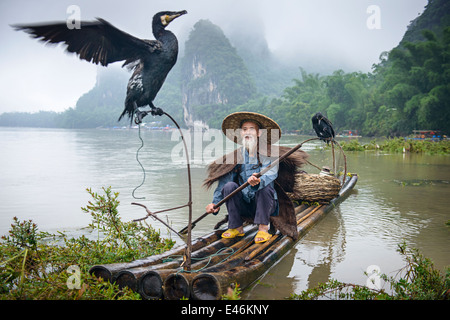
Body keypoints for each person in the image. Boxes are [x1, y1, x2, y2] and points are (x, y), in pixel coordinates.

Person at [204, 112, 309, 243]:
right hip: (245, 205)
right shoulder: (235, 157)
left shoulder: (269, 154)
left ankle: (263, 229)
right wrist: (215, 203)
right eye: (244, 129)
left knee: (263, 188)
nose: (248, 132)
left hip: (265, 205)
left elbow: (271, 174)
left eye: (252, 129)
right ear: (241, 133)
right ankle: (236, 227)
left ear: (259, 133)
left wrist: (259, 180)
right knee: (229, 186)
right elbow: (224, 182)